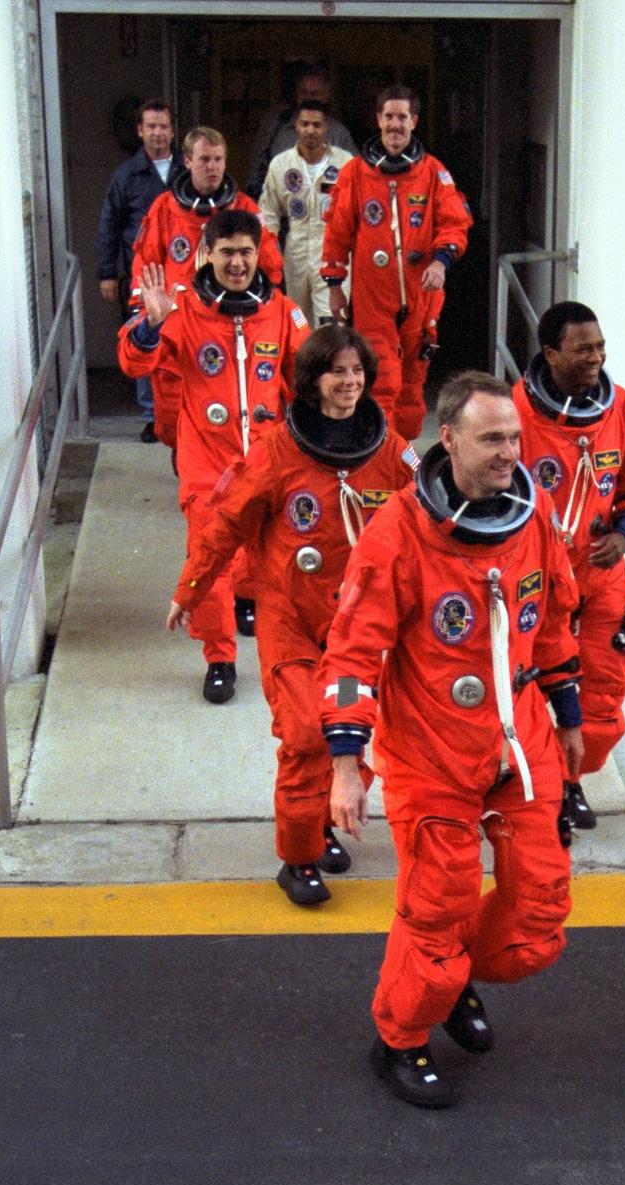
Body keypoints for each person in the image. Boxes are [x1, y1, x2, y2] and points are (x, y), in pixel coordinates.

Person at [321, 371, 584, 1109]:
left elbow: (556, 626)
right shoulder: (398, 534)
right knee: (436, 905)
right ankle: (400, 1037)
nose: (509, 453)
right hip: (431, 754)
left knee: (539, 922)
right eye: (492, 438)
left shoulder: (533, 522)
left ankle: (455, 973)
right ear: (450, 438)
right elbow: (348, 659)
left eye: (515, 438)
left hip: (520, 748)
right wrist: (348, 766)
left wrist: (569, 722)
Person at [165, 326, 417, 904]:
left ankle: (324, 819)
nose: (349, 383)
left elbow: (433, 493)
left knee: (353, 731)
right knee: (308, 733)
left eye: (357, 373)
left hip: (358, 626)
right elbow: (225, 522)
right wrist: (192, 588)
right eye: (337, 373)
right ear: (312, 381)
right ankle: (297, 858)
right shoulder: (277, 450)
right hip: (292, 619)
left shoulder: (392, 447)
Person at [120, 208, 309, 705]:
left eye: (246, 251)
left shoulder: (282, 311)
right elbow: (133, 360)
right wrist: (149, 327)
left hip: (267, 462)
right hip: (209, 467)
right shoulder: (184, 312)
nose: (238, 262)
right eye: (227, 252)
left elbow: (308, 374)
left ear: (258, 254)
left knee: (261, 551)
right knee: (209, 560)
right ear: (208, 255)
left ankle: (245, 599)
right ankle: (220, 657)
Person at [513, 301, 625, 839]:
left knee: (602, 697)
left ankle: (569, 779)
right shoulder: (515, 415)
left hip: (600, 573)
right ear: (551, 354)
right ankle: (539, 788)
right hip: (534, 578)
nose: (597, 358)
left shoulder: (620, 408)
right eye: (584, 350)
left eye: (600, 347)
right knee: (531, 689)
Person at [320, 84, 472, 440]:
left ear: (414, 121)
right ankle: (381, 453)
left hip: (422, 295)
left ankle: (403, 457)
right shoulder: (356, 174)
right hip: (374, 297)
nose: (395, 124)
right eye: (388, 116)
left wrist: (440, 262)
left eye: (402, 117)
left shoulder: (433, 173)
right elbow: (337, 235)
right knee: (383, 381)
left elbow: (455, 222)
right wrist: (334, 287)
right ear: (378, 119)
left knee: (413, 388)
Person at [129, 126, 284, 465]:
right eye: (204, 159)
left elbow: (271, 267)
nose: (212, 167)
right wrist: (146, 312)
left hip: (225, 324)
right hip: (178, 324)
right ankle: (183, 454)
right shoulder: (165, 209)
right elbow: (146, 262)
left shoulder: (243, 208)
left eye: (218, 159)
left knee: (229, 401)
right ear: (187, 161)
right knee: (171, 410)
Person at [95, 99, 184, 442]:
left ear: (173, 131)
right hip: (144, 275)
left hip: (183, 274)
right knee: (145, 340)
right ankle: (150, 414)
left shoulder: (187, 170)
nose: (158, 133)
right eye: (151, 126)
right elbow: (109, 226)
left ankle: (182, 412)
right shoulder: (127, 175)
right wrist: (106, 273)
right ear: (140, 131)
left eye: (164, 126)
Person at [259, 100, 353, 329]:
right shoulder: (280, 165)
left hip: (333, 254)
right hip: (295, 253)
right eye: (305, 124)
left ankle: (331, 365)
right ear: (296, 127)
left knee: (331, 324)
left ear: (326, 128)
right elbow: (268, 213)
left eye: (316, 125)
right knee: (297, 323)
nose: (310, 130)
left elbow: (355, 212)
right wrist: (269, 256)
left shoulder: (345, 163)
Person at [246, 66, 356, 200]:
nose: (308, 98)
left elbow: (355, 178)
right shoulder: (276, 126)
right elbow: (256, 168)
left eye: (314, 93)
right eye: (304, 93)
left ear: (326, 96)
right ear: (296, 94)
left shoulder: (339, 133)